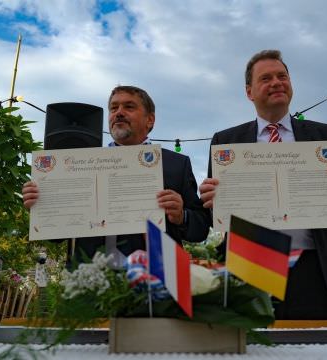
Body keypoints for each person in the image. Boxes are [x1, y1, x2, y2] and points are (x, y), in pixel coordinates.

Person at [199, 50, 327, 320]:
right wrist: (209, 200)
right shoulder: (226, 142)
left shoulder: (326, 135)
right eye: (266, 78)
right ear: (249, 92)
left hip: (315, 270)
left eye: (282, 76)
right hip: (250, 267)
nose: (277, 82)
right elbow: (213, 213)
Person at [23, 85, 210, 266]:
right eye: (114, 108)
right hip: (90, 281)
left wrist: (181, 216)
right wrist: (41, 206)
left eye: (129, 107)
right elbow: (55, 238)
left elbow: (200, 230)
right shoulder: (82, 165)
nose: (118, 112)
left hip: (154, 281)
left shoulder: (176, 164)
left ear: (150, 120)